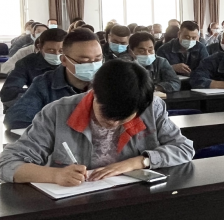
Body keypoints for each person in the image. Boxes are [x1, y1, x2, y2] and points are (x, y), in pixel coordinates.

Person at [0, 60, 194, 185]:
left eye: (122, 119)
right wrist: (55, 175)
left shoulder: (151, 107)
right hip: (74, 203)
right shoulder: (57, 113)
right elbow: (7, 163)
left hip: (132, 197)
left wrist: (138, 162)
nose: (113, 124)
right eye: (107, 116)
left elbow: (184, 148)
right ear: (93, 93)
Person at [4, 29, 101, 129]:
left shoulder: (108, 81)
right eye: (84, 61)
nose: (93, 65)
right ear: (64, 60)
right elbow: (16, 118)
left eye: (98, 59)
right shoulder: (43, 85)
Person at [1, 28, 67, 109]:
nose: (57, 54)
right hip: (38, 109)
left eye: (61, 51)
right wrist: (42, 97)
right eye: (50, 50)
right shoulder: (27, 63)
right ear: (39, 47)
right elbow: (8, 93)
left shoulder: (74, 61)